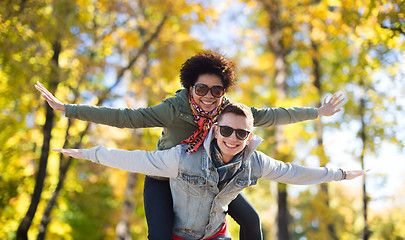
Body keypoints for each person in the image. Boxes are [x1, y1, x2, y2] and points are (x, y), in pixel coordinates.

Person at [36, 51, 345, 240]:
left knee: (251, 220)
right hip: (166, 175)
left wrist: (318, 112)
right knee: (160, 235)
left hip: (209, 177)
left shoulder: (231, 113)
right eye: (201, 89)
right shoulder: (173, 108)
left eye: (217, 90)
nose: (209, 96)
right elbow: (126, 117)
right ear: (190, 88)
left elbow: (273, 115)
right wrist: (68, 109)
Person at [54, 103, 368, 240]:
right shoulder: (183, 158)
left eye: (241, 134)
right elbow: (137, 159)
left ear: (249, 136)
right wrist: (90, 154)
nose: (233, 139)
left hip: (215, 235)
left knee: (252, 220)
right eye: (227, 131)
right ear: (215, 130)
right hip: (178, 235)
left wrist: (338, 174)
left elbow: (294, 172)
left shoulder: (254, 162)